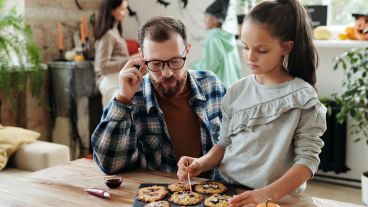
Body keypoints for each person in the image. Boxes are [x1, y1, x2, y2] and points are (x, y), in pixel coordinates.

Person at [177, 0, 327, 205]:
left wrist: (267, 194)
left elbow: (307, 161)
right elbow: (223, 144)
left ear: (286, 47)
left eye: (261, 50)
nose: (250, 57)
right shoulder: (236, 91)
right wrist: (201, 163)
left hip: (278, 198)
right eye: (245, 47)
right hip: (228, 192)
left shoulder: (303, 97)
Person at [91, 16, 226, 180]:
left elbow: (237, 145)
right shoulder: (131, 98)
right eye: (155, 64)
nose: (167, 73)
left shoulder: (212, 86)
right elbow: (109, 164)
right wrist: (123, 99)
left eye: (175, 61)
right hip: (156, 199)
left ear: (187, 50)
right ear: (141, 55)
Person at [94, 0, 139, 107]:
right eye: (123, 9)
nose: (126, 12)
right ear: (112, 11)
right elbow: (103, 67)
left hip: (116, 78)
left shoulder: (115, 32)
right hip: (109, 81)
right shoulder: (108, 35)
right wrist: (131, 60)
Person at [191, 0, 241, 87]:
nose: (203, 20)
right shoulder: (230, 37)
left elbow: (210, 67)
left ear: (215, 19)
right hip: (234, 86)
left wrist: (193, 65)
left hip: (220, 88)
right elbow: (237, 66)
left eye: (206, 16)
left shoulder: (213, 36)